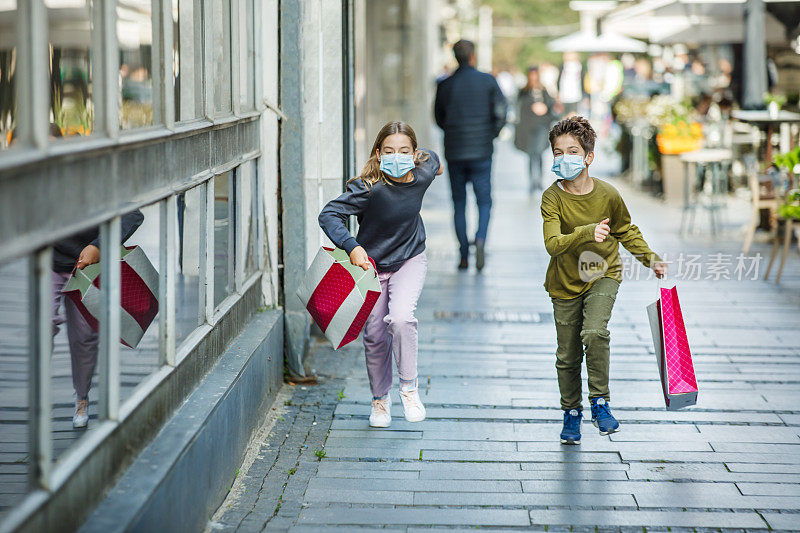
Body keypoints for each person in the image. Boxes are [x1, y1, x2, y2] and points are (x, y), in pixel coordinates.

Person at [540, 116, 667, 445]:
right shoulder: (552, 198)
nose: (563, 157)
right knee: (567, 356)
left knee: (595, 332)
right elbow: (553, 245)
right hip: (564, 282)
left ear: (588, 157)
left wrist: (650, 259)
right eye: (557, 152)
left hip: (603, 274)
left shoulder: (609, 194)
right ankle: (571, 412)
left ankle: (600, 402)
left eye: (572, 151)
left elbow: (625, 230)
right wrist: (586, 231)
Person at [318, 121, 442, 428]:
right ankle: (380, 400)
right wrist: (351, 247)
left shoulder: (424, 170)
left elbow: (435, 161)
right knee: (373, 335)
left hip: (410, 258)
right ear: (378, 152)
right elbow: (328, 214)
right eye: (388, 151)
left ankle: (409, 389)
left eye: (403, 151)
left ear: (415, 154)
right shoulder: (367, 187)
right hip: (370, 268)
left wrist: (433, 164)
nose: (396, 156)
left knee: (400, 319)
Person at [52, 210, 144, 428]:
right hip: (49, 259)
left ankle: (81, 399)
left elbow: (133, 213)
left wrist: (99, 245)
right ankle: (37, 396)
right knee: (42, 325)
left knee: (85, 337)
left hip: (90, 262)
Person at [434, 39, 507, 271]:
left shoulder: (445, 84)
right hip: (482, 151)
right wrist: (491, 134)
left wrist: (454, 132)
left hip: (455, 151)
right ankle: (481, 238)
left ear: (456, 57)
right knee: (484, 200)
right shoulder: (488, 81)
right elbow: (502, 112)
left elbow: (438, 118)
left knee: (459, 203)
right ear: (473, 56)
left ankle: (464, 254)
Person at [515, 67, 558, 194]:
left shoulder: (544, 92)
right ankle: (532, 181)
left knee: (538, 153)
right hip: (528, 126)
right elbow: (519, 110)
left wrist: (544, 109)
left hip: (542, 125)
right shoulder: (523, 92)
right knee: (530, 154)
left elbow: (552, 109)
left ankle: (538, 180)